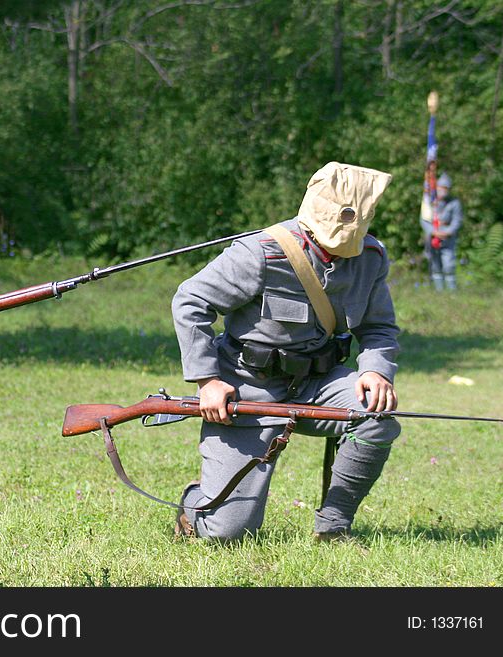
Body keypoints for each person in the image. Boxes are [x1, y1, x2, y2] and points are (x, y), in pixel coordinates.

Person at [172, 162, 401, 543]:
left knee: (376, 414)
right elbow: (190, 301)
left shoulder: (371, 259)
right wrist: (208, 380)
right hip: (248, 388)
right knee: (227, 534)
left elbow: (378, 327)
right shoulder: (261, 252)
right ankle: (195, 502)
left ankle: (333, 526)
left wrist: (376, 371)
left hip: (319, 383)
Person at [420, 172, 463, 291]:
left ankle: (451, 291)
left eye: (446, 188)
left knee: (449, 264)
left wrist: (448, 232)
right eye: (441, 187)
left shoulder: (454, 203)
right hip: (433, 236)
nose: (443, 190)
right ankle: (439, 291)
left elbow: (457, 220)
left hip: (447, 237)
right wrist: (433, 232)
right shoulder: (430, 202)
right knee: (435, 264)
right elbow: (424, 219)